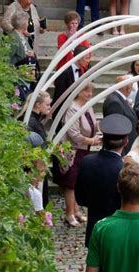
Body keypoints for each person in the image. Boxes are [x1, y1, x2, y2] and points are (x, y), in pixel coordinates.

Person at [75, 114, 132, 247]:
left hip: (95, 227)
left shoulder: (87, 162)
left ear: (102, 139)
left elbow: (80, 198)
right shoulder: (126, 169)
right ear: (126, 142)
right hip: (119, 231)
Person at [53, 83, 101, 227]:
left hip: (83, 151)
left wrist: (99, 132)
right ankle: (69, 213)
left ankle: (76, 209)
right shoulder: (72, 109)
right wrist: (91, 141)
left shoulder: (88, 106)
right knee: (70, 184)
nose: (90, 94)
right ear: (79, 92)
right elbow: (73, 134)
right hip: (72, 151)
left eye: (91, 91)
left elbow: (94, 124)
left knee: (77, 182)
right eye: (87, 91)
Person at [52, 45, 91, 122]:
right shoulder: (64, 72)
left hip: (74, 112)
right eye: (87, 58)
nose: (88, 61)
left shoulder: (81, 71)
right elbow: (59, 95)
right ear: (79, 57)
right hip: (63, 113)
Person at [102, 75, 138, 153]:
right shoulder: (115, 102)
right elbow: (116, 132)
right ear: (128, 88)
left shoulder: (117, 99)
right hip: (120, 150)